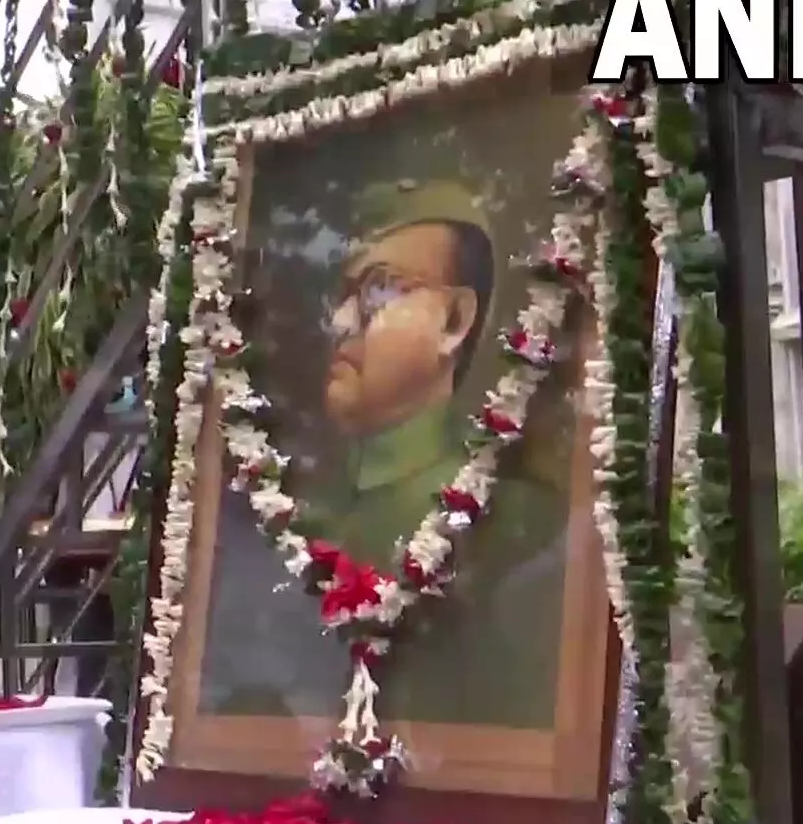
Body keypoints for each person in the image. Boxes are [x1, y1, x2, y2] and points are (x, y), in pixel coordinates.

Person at [201, 179, 570, 729]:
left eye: (378, 291)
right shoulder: (285, 506)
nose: (340, 323)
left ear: (453, 323)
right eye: (340, 297)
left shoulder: (520, 522)